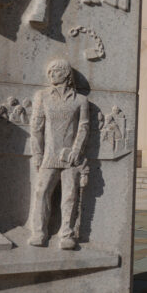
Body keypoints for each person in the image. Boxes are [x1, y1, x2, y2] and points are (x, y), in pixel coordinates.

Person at [27, 59, 90, 249]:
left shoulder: (81, 100)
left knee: (70, 195)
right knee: (41, 192)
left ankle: (67, 234)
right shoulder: (42, 96)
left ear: (66, 74)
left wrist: (76, 151)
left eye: (56, 71)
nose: (51, 74)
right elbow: (36, 127)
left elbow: (83, 127)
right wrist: (37, 154)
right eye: (49, 71)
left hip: (70, 157)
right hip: (49, 155)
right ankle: (39, 232)